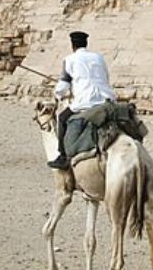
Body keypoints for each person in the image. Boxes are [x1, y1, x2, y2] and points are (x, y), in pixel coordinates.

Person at [47, 30, 115, 170]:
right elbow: (105, 79)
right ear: (86, 43)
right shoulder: (99, 58)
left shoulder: (69, 60)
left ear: (73, 46)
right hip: (107, 99)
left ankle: (62, 156)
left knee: (62, 117)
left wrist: (58, 93)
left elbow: (62, 87)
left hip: (85, 101)